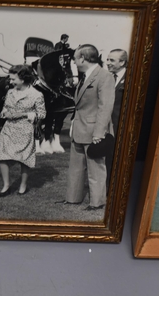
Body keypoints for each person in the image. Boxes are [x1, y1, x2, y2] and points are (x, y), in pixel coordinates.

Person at [61, 45, 114, 210]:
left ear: (83, 58)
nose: (74, 62)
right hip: (78, 129)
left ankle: (97, 202)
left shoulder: (104, 76)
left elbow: (105, 107)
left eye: (76, 58)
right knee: (75, 167)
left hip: (93, 131)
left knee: (95, 168)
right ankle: (72, 198)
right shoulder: (85, 76)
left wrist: (99, 133)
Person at [0, 65, 46, 196]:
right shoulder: (10, 92)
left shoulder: (36, 95)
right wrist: (5, 114)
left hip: (25, 129)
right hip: (9, 128)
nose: (11, 82)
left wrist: (23, 115)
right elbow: (5, 108)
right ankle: (6, 186)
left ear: (23, 79)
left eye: (13, 79)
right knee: (2, 156)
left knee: (24, 159)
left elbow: (42, 114)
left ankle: (23, 185)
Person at [105, 49, 127, 186]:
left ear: (122, 62)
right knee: (107, 157)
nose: (107, 63)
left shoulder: (131, 79)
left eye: (111, 60)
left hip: (121, 127)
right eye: (107, 60)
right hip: (106, 127)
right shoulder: (107, 78)